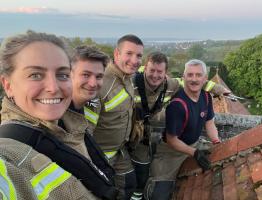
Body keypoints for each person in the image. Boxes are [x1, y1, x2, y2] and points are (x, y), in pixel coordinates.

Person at [0, 31, 116, 199]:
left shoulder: (68, 124)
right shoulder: (8, 152)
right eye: (35, 75)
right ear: (8, 84)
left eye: (62, 74)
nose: (53, 88)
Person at [129, 52, 230, 199]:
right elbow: (171, 140)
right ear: (183, 77)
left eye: (198, 75)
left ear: (205, 79)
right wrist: (194, 153)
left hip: (193, 145)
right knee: (159, 195)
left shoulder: (206, 97)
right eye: (190, 75)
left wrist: (216, 141)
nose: (194, 79)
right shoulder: (178, 105)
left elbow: (209, 122)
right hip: (171, 153)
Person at [84, 34, 144, 200]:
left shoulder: (129, 78)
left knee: (130, 185)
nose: (135, 60)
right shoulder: (101, 83)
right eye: (129, 54)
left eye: (139, 55)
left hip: (120, 152)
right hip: (101, 158)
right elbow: (85, 132)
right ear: (117, 54)